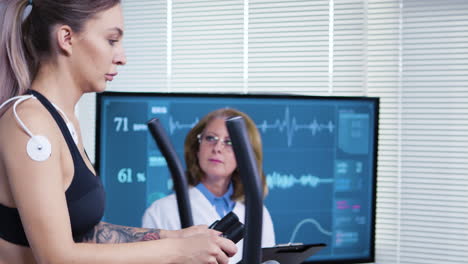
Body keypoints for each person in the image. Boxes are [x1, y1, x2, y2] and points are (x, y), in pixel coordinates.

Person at [0, 1, 236, 263]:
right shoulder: (30, 123)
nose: (122, 57)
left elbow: (85, 233)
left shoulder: (61, 120)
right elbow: (57, 257)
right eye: (112, 40)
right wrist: (179, 251)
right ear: (66, 38)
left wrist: (175, 237)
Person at [142, 108, 276, 264]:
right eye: (211, 138)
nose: (217, 148)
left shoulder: (258, 213)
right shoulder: (160, 211)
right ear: (197, 148)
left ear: (245, 154)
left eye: (230, 141)